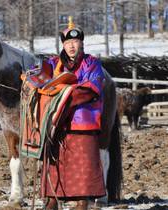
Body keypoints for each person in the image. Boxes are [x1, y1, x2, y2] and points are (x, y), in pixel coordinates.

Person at [39, 17, 106, 210]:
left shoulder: (92, 63)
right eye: (67, 43)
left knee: (83, 167)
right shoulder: (53, 64)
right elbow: (43, 83)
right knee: (55, 163)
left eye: (75, 42)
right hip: (56, 123)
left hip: (83, 122)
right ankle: (52, 198)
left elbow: (91, 87)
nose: (71, 46)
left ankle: (81, 202)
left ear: (81, 43)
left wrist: (64, 95)